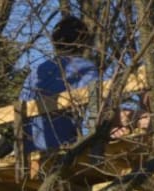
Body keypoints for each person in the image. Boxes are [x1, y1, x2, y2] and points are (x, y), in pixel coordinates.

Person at [20, 16, 100, 152]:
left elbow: (21, 112)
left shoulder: (35, 73)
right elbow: (96, 110)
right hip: (65, 147)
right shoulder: (85, 69)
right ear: (82, 43)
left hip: (30, 150)